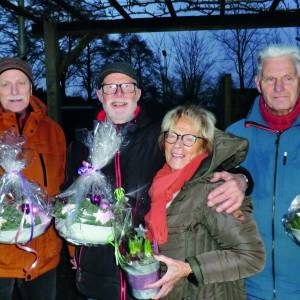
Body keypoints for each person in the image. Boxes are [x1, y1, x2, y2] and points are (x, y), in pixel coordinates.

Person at [63, 62, 252, 300]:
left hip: (153, 277)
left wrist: (241, 177)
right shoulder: (82, 144)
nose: (119, 93)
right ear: (100, 95)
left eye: (127, 87)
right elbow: (69, 200)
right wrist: (74, 247)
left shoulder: (162, 134)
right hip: (97, 280)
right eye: (110, 87)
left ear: (138, 94)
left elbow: (208, 155)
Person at [144, 104, 265, 300]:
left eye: (190, 138)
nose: (177, 145)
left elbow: (251, 257)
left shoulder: (214, 189)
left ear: (204, 146)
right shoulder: (161, 186)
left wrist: (189, 268)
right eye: (172, 135)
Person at [227, 44, 300, 300]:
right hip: (248, 289)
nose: (279, 87)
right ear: (258, 84)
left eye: (288, 78)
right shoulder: (234, 136)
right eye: (271, 79)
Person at [0, 57, 66, 300]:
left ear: (31, 86)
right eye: (5, 84)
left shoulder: (53, 130)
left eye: (21, 83)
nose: (14, 91)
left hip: (42, 254)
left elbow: (61, 186)